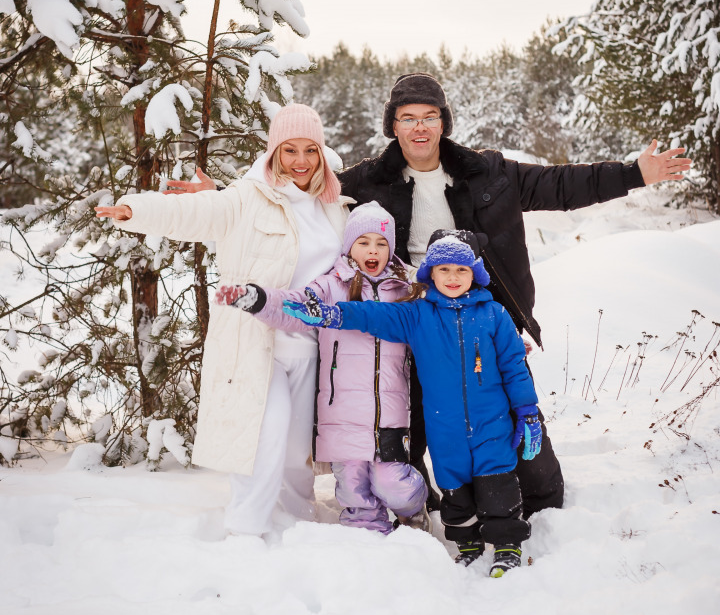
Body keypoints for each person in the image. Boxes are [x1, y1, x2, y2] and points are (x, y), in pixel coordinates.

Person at [164, 72, 692, 517]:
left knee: (508, 412)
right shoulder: (367, 182)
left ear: (443, 122)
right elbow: (299, 183)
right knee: (407, 417)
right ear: (393, 127)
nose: (419, 127)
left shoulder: (491, 174)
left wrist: (633, 173)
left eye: (429, 116)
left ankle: (540, 505)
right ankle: (424, 509)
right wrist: (225, 198)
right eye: (408, 117)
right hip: (405, 314)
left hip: (479, 315)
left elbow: (560, 185)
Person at [94, 104, 351, 537]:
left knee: (293, 448)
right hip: (254, 338)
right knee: (264, 435)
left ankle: (297, 523)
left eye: (311, 150)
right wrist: (134, 211)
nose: (301, 161)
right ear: (273, 152)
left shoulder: (333, 206)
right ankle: (246, 529)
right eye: (290, 150)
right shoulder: (246, 197)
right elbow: (195, 213)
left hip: (309, 344)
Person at [283, 232, 543, 577]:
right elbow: (373, 315)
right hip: (444, 427)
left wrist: (527, 411)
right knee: (454, 486)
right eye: (444, 269)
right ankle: (467, 545)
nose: (453, 277)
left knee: (498, 483)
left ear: (474, 275)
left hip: (491, 422)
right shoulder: (417, 315)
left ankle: (507, 545)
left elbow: (513, 366)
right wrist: (332, 314)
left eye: (462, 270)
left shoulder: (494, 314)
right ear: (430, 275)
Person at [215, 201, 428, 535]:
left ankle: (415, 512)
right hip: (340, 412)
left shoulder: (406, 289)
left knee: (393, 482)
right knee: (355, 490)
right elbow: (294, 306)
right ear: (349, 245)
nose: (372, 251)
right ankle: (369, 541)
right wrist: (256, 299)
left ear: (391, 248)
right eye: (364, 242)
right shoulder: (329, 286)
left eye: (381, 243)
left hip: (389, 413)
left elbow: (443, 323)